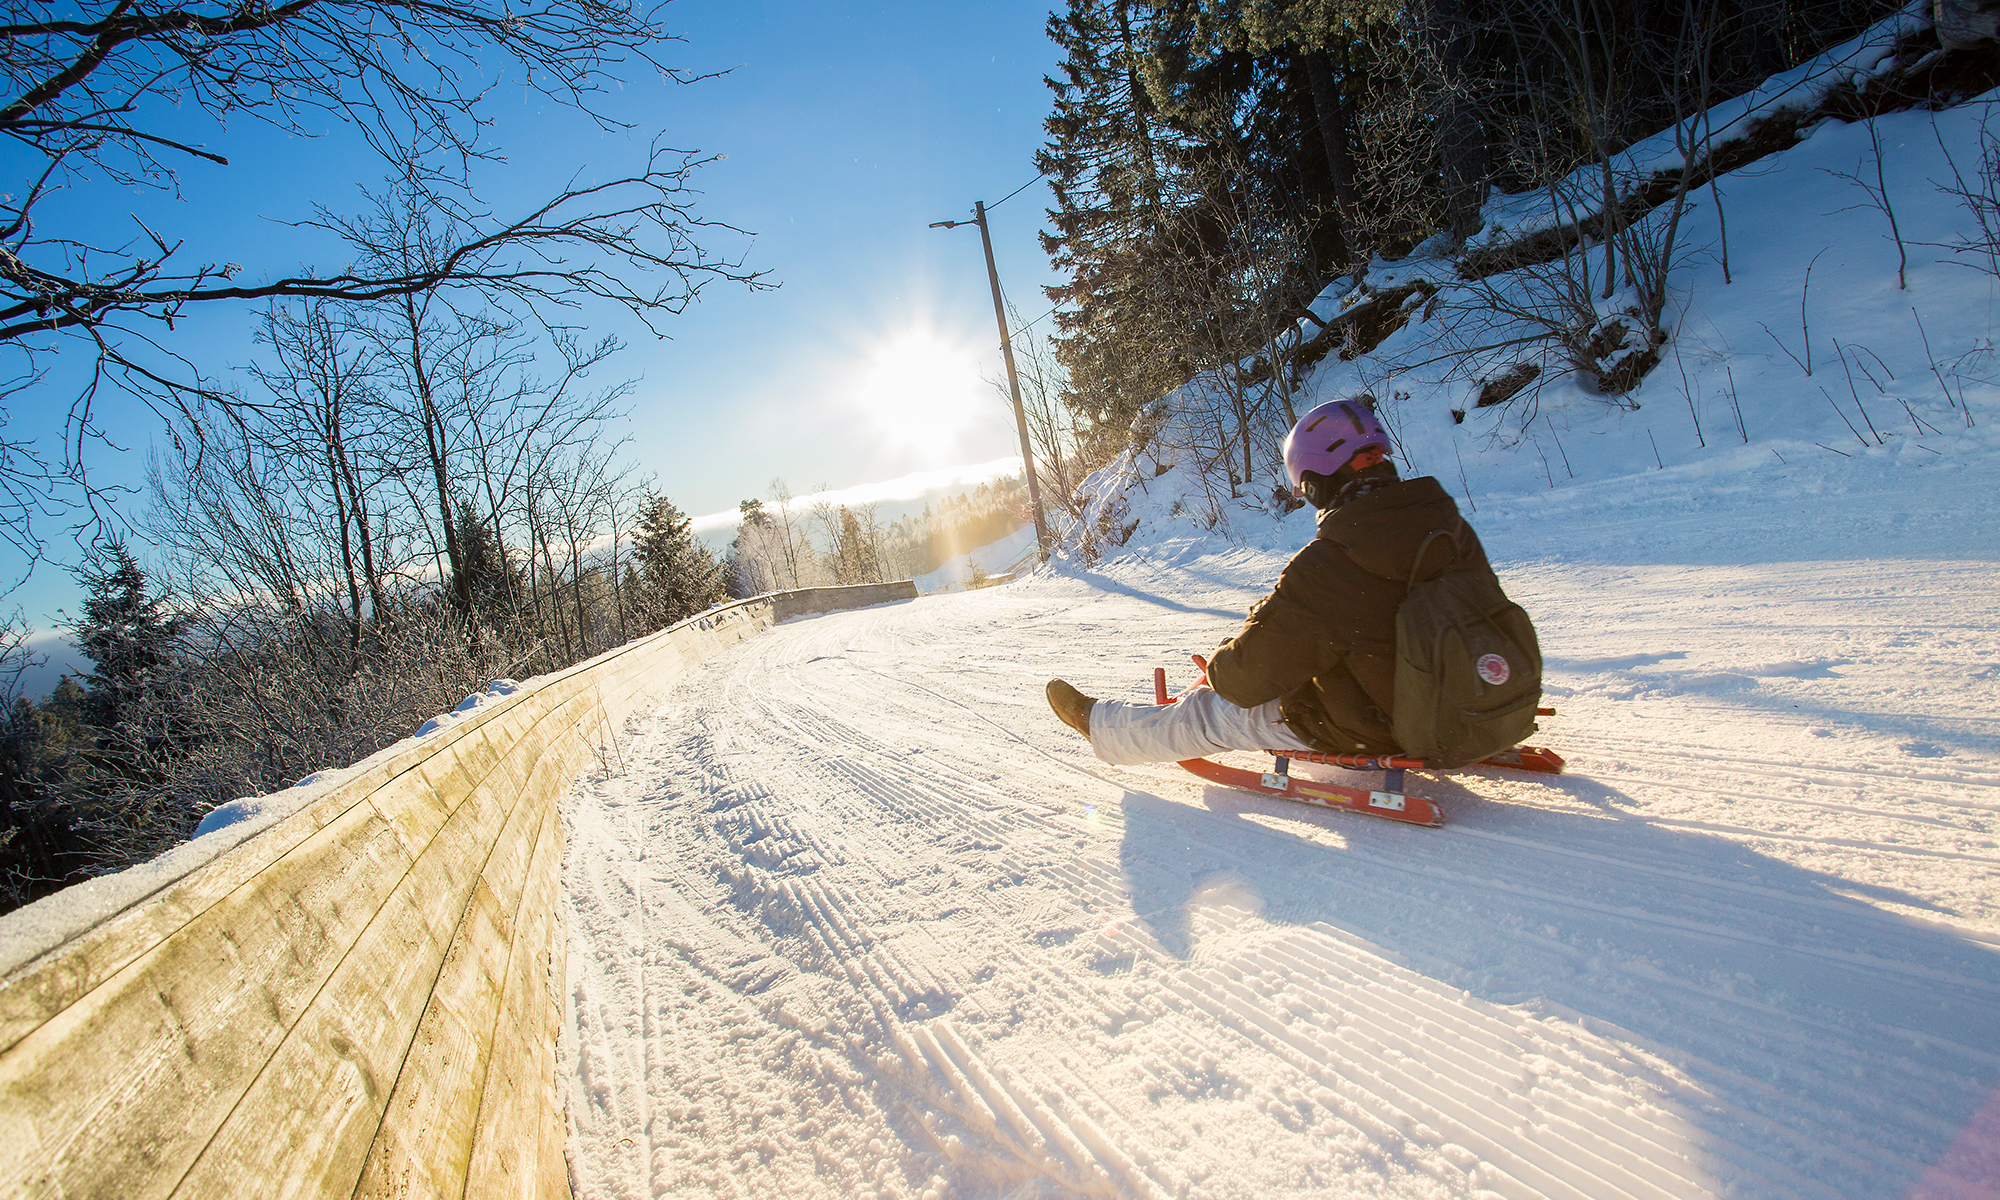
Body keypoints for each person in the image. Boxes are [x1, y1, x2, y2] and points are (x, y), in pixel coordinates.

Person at [1047, 397, 1499, 765]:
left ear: (1319, 480)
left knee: (1211, 714)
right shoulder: (1447, 527)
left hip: (1389, 726)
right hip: (1474, 698)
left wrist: (1224, 668)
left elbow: (1244, 683)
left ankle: (1103, 727)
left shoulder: (1332, 562)